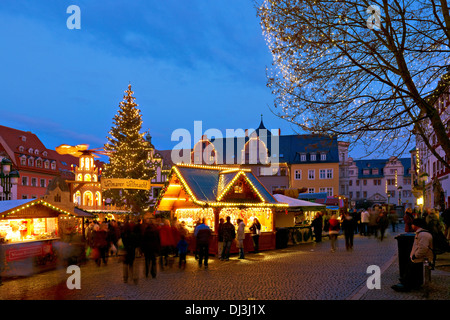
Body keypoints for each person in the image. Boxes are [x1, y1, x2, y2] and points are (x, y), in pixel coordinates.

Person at [391, 218, 434, 292]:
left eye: (413, 224)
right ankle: (406, 282)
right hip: (420, 257)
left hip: (422, 258)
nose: (412, 226)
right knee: (409, 267)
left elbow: (423, 249)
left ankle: (407, 285)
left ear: (416, 225)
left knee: (412, 267)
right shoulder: (421, 233)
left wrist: (415, 256)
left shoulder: (423, 234)